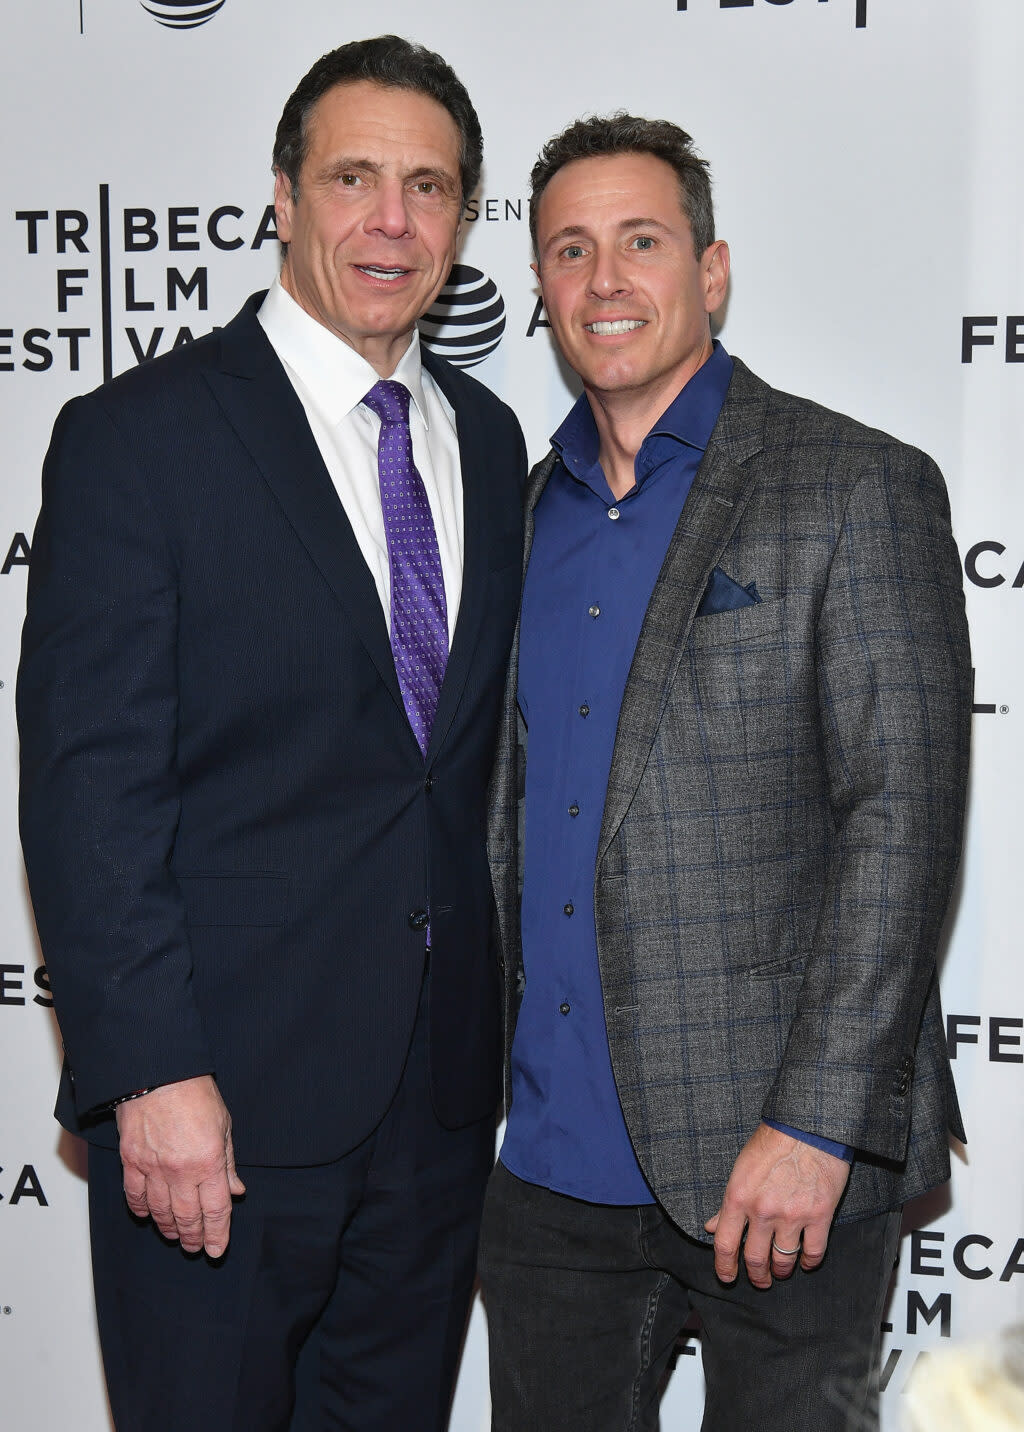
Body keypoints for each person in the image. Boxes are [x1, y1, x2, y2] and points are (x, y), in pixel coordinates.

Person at [18, 35, 525, 1432]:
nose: (393, 220)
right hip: (216, 1114)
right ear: (285, 199)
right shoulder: (141, 438)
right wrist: (153, 1077)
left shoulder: (484, 438)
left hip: (431, 1114)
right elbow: (87, 787)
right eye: (354, 177)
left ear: (461, 220)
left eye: (430, 188)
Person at [479, 113, 970, 1431]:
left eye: (641, 241)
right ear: (539, 287)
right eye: (569, 249)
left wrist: (817, 1127)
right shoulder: (519, 516)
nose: (604, 281)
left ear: (714, 268)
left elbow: (901, 819)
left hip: (776, 1167)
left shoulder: (853, 483)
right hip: (550, 1173)